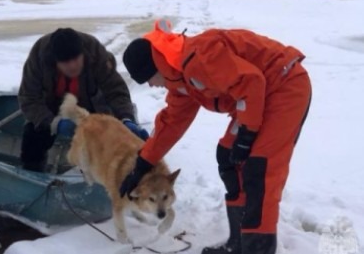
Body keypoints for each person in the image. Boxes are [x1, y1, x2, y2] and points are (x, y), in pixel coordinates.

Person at [120, 20, 312, 254]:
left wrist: (247, 135)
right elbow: (171, 123)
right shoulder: (180, 79)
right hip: (256, 98)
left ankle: (257, 249)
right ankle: (238, 245)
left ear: (155, 67)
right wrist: (142, 165)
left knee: (258, 170)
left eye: (148, 78)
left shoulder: (199, 58)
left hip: (284, 86)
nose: (150, 85)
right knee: (228, 157)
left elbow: (251, 82)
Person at [18, 28, 148, 172]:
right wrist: (54, 123)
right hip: (51, 108)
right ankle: (33, 172)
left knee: (104, 141)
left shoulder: (95, 52)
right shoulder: (39, 55)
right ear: (55, 61)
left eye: (76, 59)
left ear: (83, 54)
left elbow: (115, 91)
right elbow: (28, 98)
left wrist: (126, 119)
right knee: (32, 136)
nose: (72, 65)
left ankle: (100, 174)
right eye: (66, 62)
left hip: (89, 107)